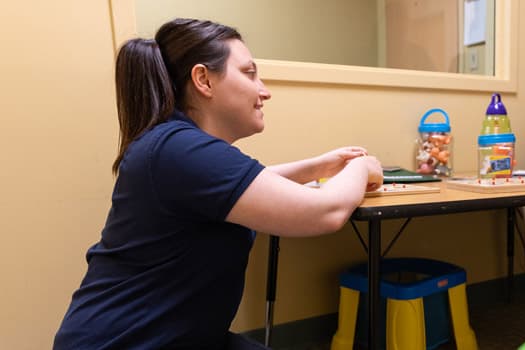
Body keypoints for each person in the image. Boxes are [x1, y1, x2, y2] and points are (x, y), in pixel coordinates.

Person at [53, 18, 383, 349]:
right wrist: (364, 166)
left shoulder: (176, 146)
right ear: (204, 80)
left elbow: (242, 188)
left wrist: (319, 166)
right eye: (250, 73)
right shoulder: (178, 149)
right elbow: (325, 212)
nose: (264, 91)